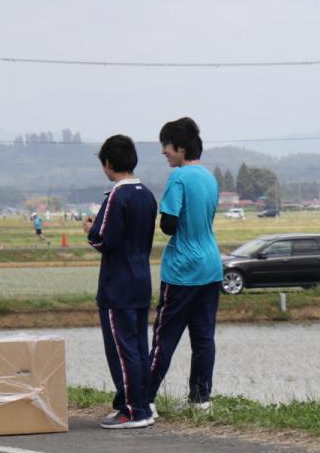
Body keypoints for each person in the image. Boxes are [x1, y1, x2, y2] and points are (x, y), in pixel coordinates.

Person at [148, 117, 223, 412]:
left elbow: (169, 224)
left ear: (179, 147)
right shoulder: (209, 177)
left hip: (182, 269)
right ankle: (200, 399)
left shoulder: (178, 178)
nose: (164, 152)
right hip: (211, 265)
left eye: (166, 146)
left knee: (164, 336)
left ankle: (145, 398)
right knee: (203, 337)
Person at [86, 135, 158, 429]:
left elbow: (103, 239)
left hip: (118, 285)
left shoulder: (118, 195)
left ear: (108, 164)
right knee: (139, 347)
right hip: (141, 279)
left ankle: (132, 410)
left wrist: (89, 229)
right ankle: (142, 404)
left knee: (121, 349)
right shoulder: (146, 194)